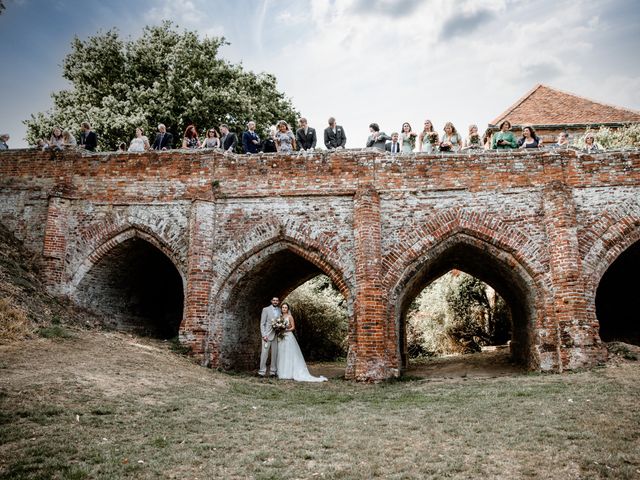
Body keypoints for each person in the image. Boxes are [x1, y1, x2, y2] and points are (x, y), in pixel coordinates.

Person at [276, 303, 328, 382]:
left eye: (285, 307)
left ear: (287, 309)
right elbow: (277, 326)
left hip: (288, 336)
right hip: (281, 337)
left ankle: (288, 373)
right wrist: (279, 328)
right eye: (283, 307)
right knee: (282, 353)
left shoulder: (290, 317)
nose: (284, 309)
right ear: (281, 309)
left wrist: (286, 330)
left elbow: (293, 327)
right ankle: (281, 372)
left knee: (289, 353)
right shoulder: (280, 317)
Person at [259, 296, 281, 377]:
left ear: (278, 302)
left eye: (277, 300)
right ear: (271, 301)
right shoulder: (266, 309)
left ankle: (273, 372)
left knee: (275, 354)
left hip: (276, 335)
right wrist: (264, 335)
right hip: (267, 336)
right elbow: (262, 323)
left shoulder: (280, 310)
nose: (275, 302)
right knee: (264, 354)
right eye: (274, 300)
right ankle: (261, 372)